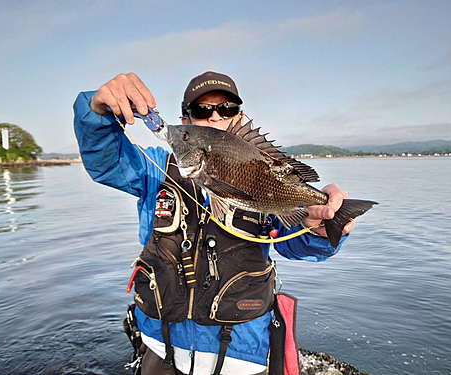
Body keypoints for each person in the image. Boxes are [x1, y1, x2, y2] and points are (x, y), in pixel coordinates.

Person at [73, 71, 354, 375]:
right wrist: (96, 111)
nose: (215, 116)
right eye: (202, 110)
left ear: (239, 117)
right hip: (161, 347)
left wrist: (320, 229)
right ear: (186, 119)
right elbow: (105, 160)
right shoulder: (154, 169)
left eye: (227, 109)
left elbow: (295, 241)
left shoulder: (259, 167)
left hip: (241, 357)